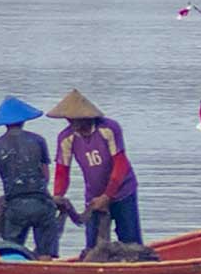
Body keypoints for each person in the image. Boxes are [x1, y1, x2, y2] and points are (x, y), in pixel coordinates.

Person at [47, 89, 143, 251]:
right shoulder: (66, 138)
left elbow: (121, 164)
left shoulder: (109, 128)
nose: (72, 124)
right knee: (93, 246)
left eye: (76, 119)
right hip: (93, 197)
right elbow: (62, 171)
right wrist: (58, 196)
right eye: (69, 120)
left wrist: (107, 196)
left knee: (130, 242)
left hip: (122, 191)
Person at [0, 96, 60, 260]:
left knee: (11, 252)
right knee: (45, 254)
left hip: (15, 206)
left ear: (4, 123)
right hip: (42, 203)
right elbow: (46, 175)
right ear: (23, 120)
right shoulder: (38, 141)